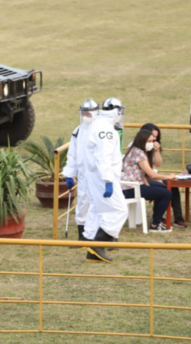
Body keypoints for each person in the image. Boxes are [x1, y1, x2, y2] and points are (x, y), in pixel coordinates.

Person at [83, 98, 129, 263]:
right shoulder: (106, 129)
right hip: (103, 176)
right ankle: (98, 245)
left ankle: (92, 249)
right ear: (116, 111)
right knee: (120, 210)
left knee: (98, 209)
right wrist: (108, 180)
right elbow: (103, 156)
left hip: (96, 175)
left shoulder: (98, 124)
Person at [122, 130, 176, 232]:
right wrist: (169, 177)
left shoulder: (134, 150)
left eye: (152, 141)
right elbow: (151, 174)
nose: (151, 144)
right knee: (166, 194)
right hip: (132, 188)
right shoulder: (139, 153)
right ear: (142, 140)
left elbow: (145, 174)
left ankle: (157, 221)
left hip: (130, 186)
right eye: (149, 141)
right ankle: (155, 224)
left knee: (163, 190)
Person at [63, 98, 99, 248]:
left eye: (88, 113)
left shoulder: (100, 130)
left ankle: (99, 237)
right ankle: (82, 238)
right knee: (82, 204)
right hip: (83, 176)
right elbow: (72, 154)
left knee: (97, 205)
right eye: (84, 113)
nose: (86, 115)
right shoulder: (78, 131)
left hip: (97, 176)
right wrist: (69, 174)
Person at [138, 123, 186, 228]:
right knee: (166, 187)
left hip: (148, 176)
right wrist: (157, 178)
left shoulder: (151, 146)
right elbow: (146, 172)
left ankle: (177, 217)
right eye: (152, 137)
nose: (154, 140)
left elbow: (158, 163)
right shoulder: (138, 148)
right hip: (142, 179)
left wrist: (156, 151)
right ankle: (158, 219)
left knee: (171, 185)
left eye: (156, 137)